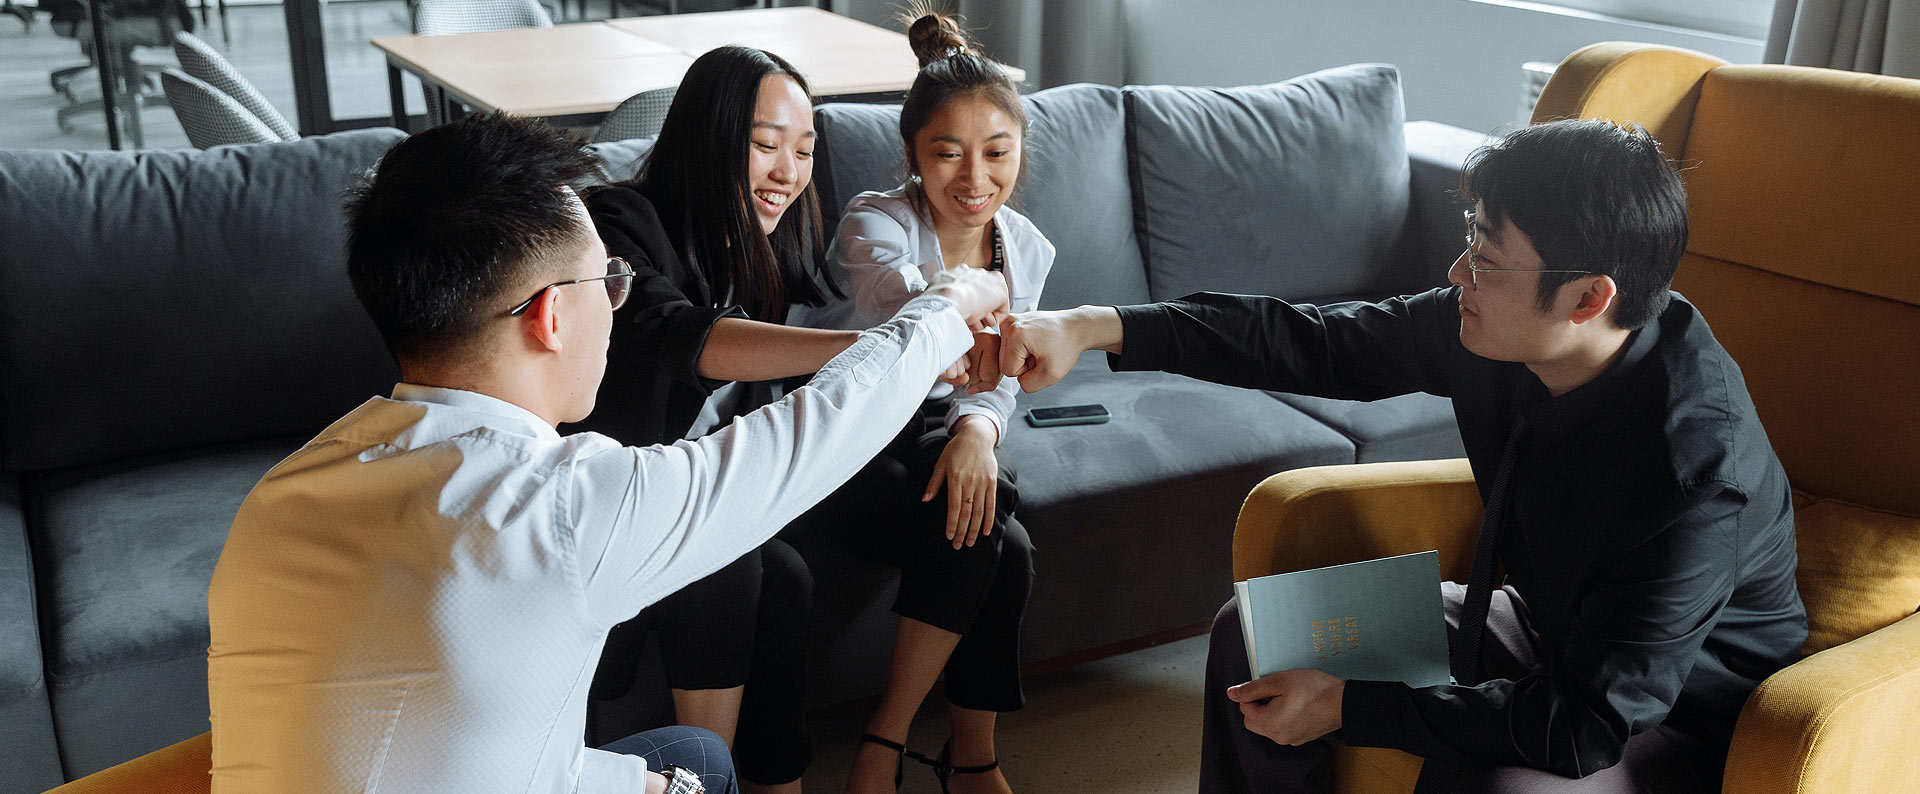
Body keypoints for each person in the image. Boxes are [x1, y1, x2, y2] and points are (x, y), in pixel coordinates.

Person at [204, 113, 1010, 793]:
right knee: (703, 767)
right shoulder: (559, 507)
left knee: (688, 760)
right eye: (611, 281)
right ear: (549, 316)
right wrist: (950, 302)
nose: (619, 305)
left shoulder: (279, 496)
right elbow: (820, 431)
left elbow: (456, 744)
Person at [995, 119, 1806, 793]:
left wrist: (1350, 706)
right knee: (1254, 634)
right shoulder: (1501, 331)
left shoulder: (1693, 473)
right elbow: (1311, 341)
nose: (1457, 274)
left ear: (1589, 298)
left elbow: (1587, 723)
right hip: (1539, 623)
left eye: (1486, 258)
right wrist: (1093, 326)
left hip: (1673, 712)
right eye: (1470, 240)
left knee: (1493, 781)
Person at [576, 45, 861, 794]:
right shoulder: (619, 222)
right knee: (725, 555)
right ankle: (708, 783)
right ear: (709, 136)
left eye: (804, 151)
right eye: (765, 145)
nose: (788, 173)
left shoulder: (764, 247)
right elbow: (674, 333)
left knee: (786, 576)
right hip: (605, 506)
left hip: (685, 501)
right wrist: (870, 347)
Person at [819, 10, 1046, 794]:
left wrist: (978, 432)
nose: (975, 178)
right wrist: (979, 306)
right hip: (846, 433)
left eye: (997, 152)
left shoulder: (1026, 246)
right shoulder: (874, 222)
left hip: (933, 429)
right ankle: (940, 755)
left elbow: (1000, 375)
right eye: (948, 153)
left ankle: (929, 750)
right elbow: (912, 315)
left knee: (995, 524)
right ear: (914, 154)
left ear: (1020, 149)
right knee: (999, 537)